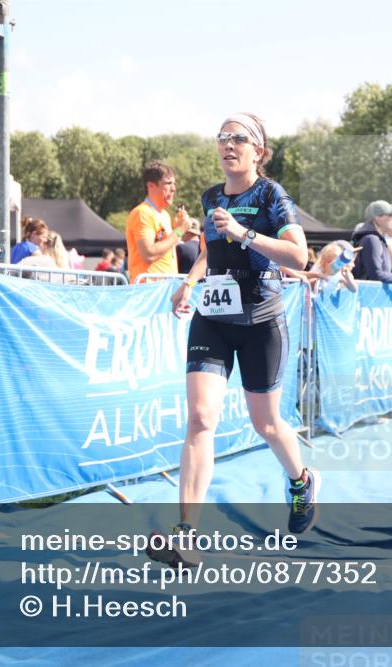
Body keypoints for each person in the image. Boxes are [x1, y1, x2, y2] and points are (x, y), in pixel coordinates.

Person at [157, 113, 315, 567]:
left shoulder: (271, 195)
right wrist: (189, 282)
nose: (228, 144)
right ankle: (187, 535)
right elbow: (209, 250)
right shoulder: (210, 197)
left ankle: (302, 481)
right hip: (214, 317)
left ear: (258, 151)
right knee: (200, 418)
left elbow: (299, 255)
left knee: (266, 424)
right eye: (223, 137)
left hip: (261, 320)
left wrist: (245, 233)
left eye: (239, 138)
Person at [126, 161, 187, 283]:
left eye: (174, 184)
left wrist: (176, 231)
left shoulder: (165, 215)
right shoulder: (142, 213)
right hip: (149, 289)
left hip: (164, 287)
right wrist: (180, 231)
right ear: (151, 186)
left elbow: (162, 247)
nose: (173, 189)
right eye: (168, 183)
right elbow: (149, 254)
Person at [352, 200, 392, 284]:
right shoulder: (371, 239)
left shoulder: (376, 240)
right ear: (378, 219)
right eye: (390, 215)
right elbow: (376, 275)